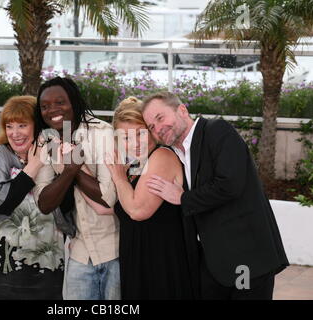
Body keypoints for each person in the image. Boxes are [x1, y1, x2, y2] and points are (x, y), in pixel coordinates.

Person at [142, 92, 289, 300]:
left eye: (160, 118)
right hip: (214, 265)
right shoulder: (178, 155)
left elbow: (230, 184)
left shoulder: (216, 131)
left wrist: (183, 198)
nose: (158, 129)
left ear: (182, 110)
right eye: (151, 127)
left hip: (246, 262)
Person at [0, 95, 65, 300]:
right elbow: (1, 202)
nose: (15, 133)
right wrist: (34, 166)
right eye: (9, 126)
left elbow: (66, 201)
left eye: (22, 125)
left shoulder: (55, 155)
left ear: (37, 126)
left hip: (44, 264)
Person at [32, 77, 120, 300]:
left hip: (114, 250)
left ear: (74, 101)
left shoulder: (101, 133)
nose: (52, 110)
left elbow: (107, 198)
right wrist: (70, 170)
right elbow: (44, 203)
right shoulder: (46, 141)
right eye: (45, 106)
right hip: (79, 252)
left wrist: (73, 169)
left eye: (60, 102)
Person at [105, 96, 195, 299]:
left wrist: (119, 179)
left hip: (161, 266)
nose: (134, 143)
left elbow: (138, 211)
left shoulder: (162, 157)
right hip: (139, 262)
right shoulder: (137, 166)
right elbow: (112, 207)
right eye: (126, 137)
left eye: (140, 133)